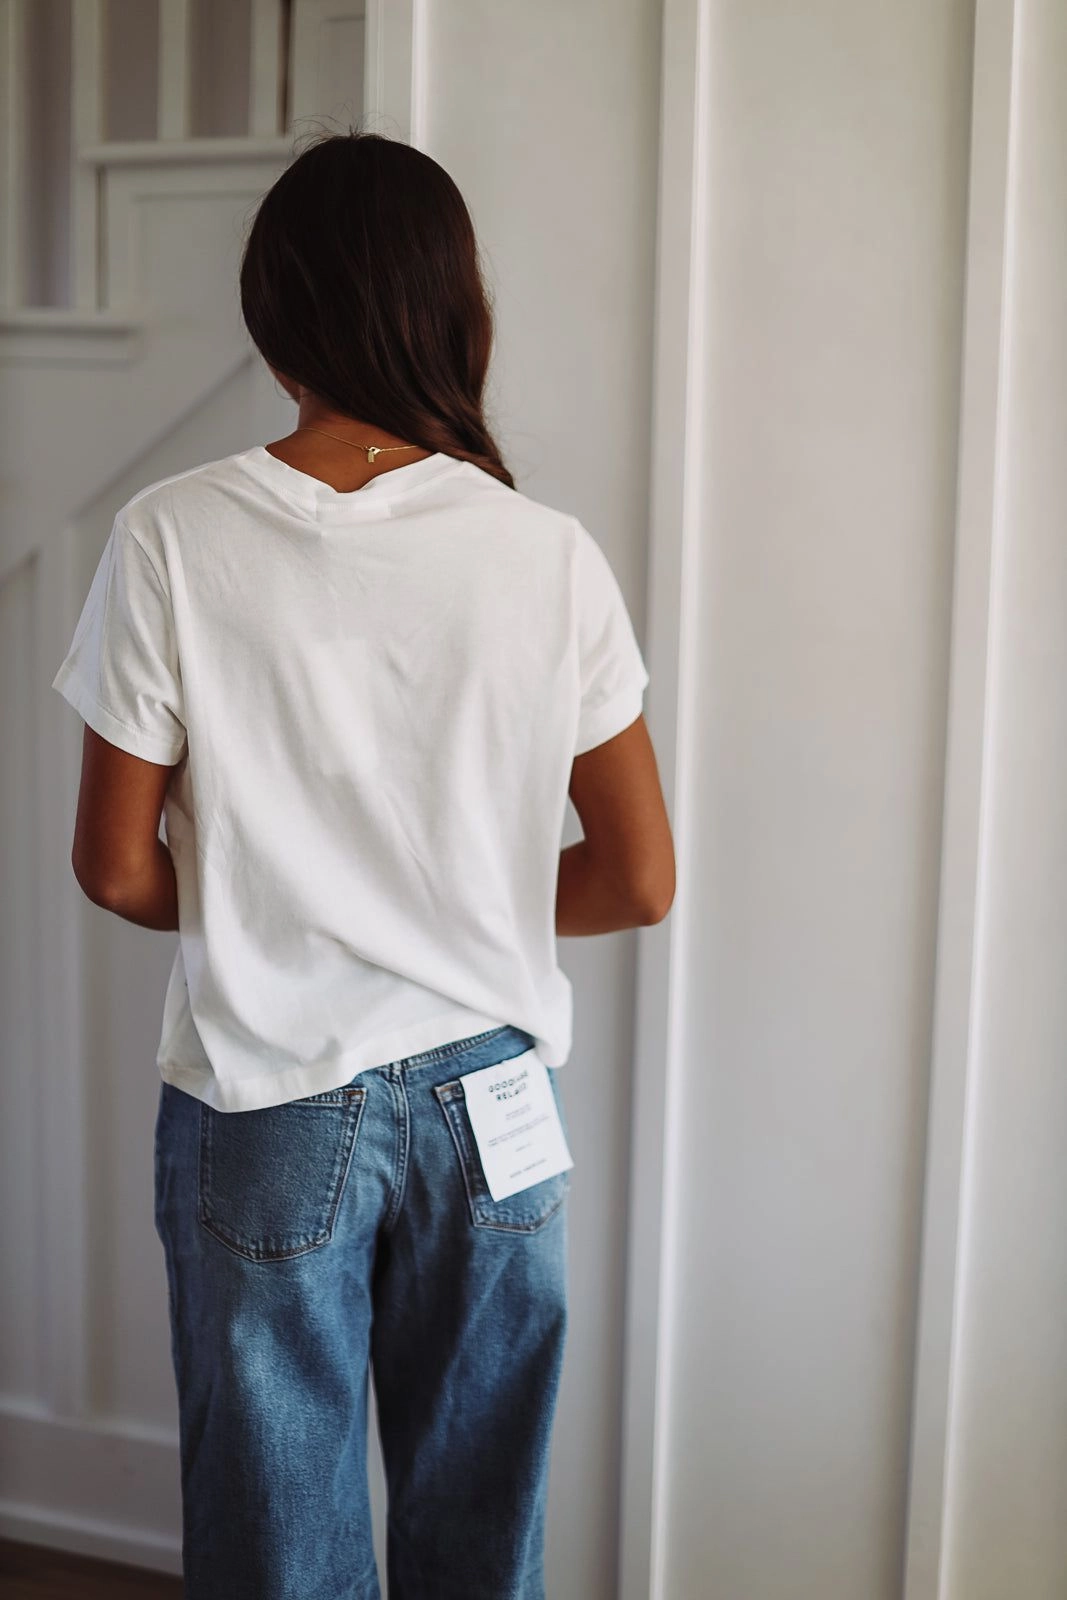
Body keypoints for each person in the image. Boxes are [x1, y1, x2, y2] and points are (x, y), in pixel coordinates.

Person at [51, 129, 675, 1600]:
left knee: (281, 1552)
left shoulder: (172, 536)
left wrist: (281, 909)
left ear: (278, 319)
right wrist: (445, 915)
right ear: (459, 314)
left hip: (270, 1095)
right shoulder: (545, 552)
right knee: (482, 1531)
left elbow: (114, 867)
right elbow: (638, 880)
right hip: (493, 1097)